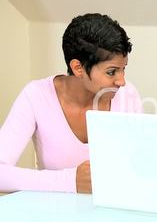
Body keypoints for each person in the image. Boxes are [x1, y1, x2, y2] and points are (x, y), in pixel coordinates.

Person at [0, 13, 142, 194]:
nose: (121, 81)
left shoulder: (127, 95)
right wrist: (70, 181)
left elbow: (140, 164)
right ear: (78, 68)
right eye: (112, 72)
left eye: (123, 69)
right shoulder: (36, 96)